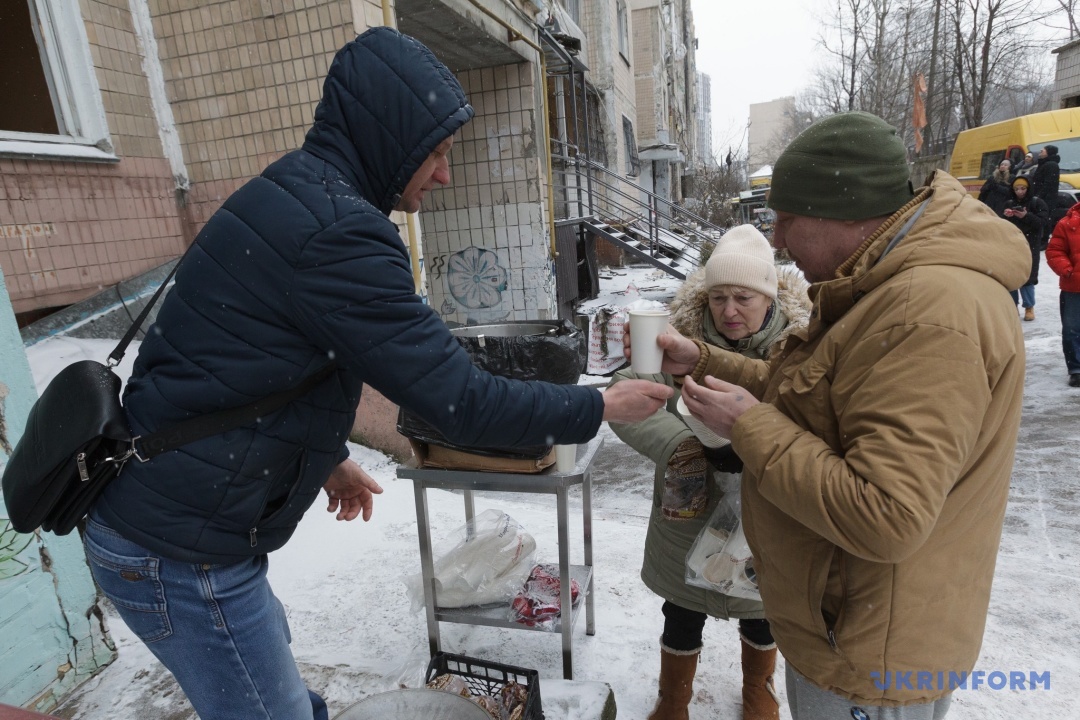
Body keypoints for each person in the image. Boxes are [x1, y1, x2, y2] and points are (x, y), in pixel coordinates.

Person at [81, 27, 672, 720]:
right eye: (439, 153)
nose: (445, 175)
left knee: (286, 699)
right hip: (180, 551)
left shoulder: (289, 195)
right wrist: (598, 406)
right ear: (389, 139)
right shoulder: (339, 232)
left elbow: (229, 362)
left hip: (169, 525)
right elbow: (461, 402)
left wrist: (326, 457)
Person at [628, 112, 1030, 720]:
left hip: (870, 657)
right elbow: (817, 393)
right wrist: (705, 358)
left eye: (788, 217)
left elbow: (886, 515)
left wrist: (749, 426)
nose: (780, 237)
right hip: (852, 626)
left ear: (843, 211)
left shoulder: (924, 313)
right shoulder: (887, 287)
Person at [608, 226, 810, 720]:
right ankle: (673, 697)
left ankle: (759, 690)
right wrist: (677, 444)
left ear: (770, 297)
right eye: (718, 297)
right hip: (689, 497)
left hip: (769, 500)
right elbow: (626, 391)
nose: (729, 310)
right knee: (682, 604)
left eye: (743, 297)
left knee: (762, 607)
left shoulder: (801, 346)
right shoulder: (679, 337)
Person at [1003, 175, 1048, 320]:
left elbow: (1042, 223)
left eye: (1023, 188)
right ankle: (1012, 307)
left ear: (1028, 189)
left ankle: (1029, 307)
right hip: (1012, 245)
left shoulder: (1037, 203)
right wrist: (1006, 216)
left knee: (1028, 278)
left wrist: (1025, 216)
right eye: (1016, 189)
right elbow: (1000, 224)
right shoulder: (1009, 202)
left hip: (1031, 246)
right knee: (1011, 277)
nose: (1020, 192)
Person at [1045, 199, 1080, 386]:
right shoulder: (1066, 223)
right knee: (1072, 329)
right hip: (1074, 287)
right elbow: (1055, 251)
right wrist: (1068, 271)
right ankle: (1076, 369)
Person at [1031, 144, 1062, 248]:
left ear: (1049, 152)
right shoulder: (1045, 163)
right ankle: (1040, 239)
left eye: (1043, 150)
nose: (1040, 151)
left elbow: (1048, 184)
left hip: (1046, 198)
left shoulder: (1051, 165)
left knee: (1045, 218)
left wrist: (1039, 196)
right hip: (1042, 197)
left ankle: (1044, 241)